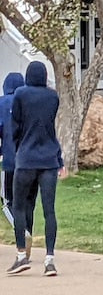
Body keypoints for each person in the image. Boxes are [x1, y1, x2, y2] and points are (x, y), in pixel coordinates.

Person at [7, 61, 64, 277]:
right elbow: (50, 125)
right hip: (49, 158)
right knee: (49, 210)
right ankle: (49, 259)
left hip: (27, 157)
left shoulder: (20, 94)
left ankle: (22, 254)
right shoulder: (53, 97)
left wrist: (18, 144)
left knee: (19, 206)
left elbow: (16, 125)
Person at [0, 72, 33, 259]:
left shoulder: (2, 104)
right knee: (28, 202)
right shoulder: (30, 102)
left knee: (8, 202)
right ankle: (27, 233)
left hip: (11, 162)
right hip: (32, 161)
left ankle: (22, 233)